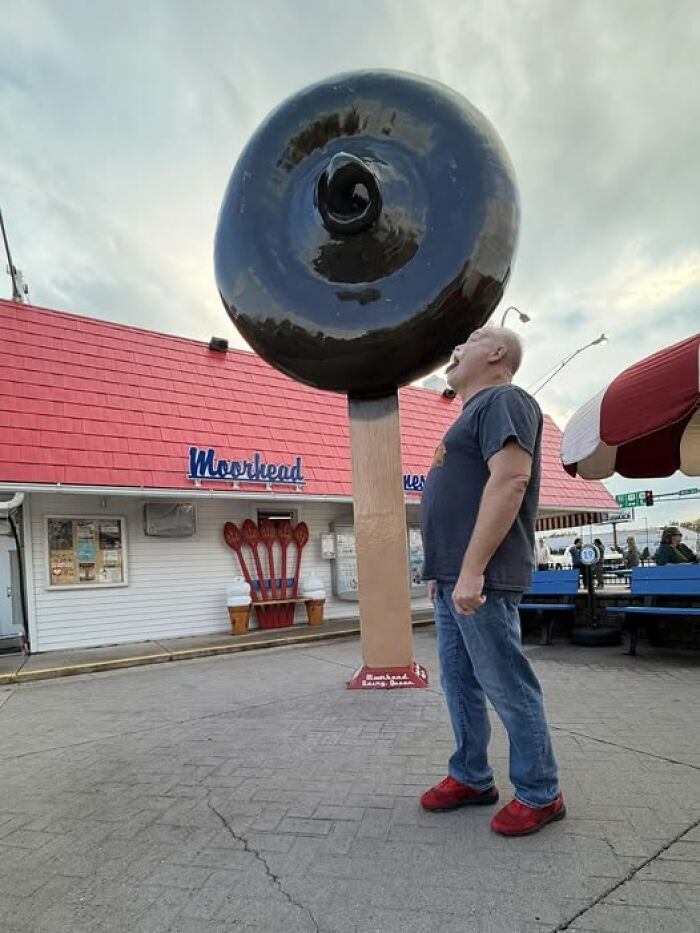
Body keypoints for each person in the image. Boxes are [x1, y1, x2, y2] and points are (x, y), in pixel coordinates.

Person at [420, 326, 564, 837]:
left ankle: (541, 792)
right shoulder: (468, 414)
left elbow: (510, 479)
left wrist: (473, 570)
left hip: (481, 579)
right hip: (455, 579)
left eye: (472, 340)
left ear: (497, 353)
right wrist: (444, 572)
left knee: (506, 684)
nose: (456, 347)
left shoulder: (504, 399)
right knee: (459, 683)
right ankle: (472, 777)